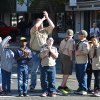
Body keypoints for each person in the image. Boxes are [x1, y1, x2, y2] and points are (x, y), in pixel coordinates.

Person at [29, 11, 55, 92]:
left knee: (43, 70)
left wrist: (47, 17)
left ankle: (44, 87)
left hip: (44, 52)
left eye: (42, 24)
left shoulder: (45, 31)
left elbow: (52, 26)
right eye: (40, 24)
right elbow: (35, 26)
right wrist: (42, 19)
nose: (41, 25)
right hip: (35, 52)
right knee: (34, 70)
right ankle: (32, 86)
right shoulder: (33, 31)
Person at [58, 29, 75, 95]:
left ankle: (64, 86)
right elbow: (70, 50)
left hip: (62, 56)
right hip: (67, 57)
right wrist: (71, 58)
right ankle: (61, 87)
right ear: (72, 34)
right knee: (67, 73)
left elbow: (59, 50)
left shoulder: (63, 40)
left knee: (64, 72)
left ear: (66, 34)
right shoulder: (71, 40)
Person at [75, 30, 90, 95]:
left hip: (82, 62)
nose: (78, 35)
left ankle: (84, 89)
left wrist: (79, 53)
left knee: (83, 75)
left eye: (79, 34)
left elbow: (86, 52)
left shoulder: (85, 43)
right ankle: (80, 87)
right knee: (78, 75)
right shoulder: (79, 42)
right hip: (77, 61)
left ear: (83, 35)